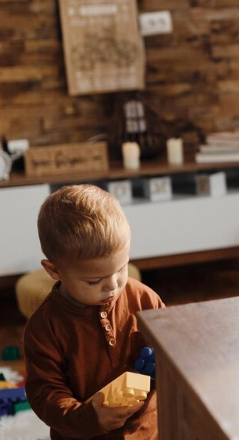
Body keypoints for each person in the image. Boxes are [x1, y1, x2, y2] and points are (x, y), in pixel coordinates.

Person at [24, 184, 165, 439]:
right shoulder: (45, 328)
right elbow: (45, 395)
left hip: (149, 431)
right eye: (94, 281)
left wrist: (167, 362)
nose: (113, 285)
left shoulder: (143, 298)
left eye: (122, 268)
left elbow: (172, 343)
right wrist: (91, 417)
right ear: (54, 271)